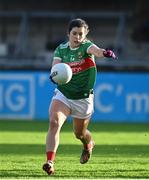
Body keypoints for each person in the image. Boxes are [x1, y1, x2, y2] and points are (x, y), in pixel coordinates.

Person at [42, 18, 117, 175]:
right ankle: (50, 162)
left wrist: (104, 53)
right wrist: (54, 74)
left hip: (83, 98)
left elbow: (95, 50)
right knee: (54, 122)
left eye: (80, 34)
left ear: (86, 34)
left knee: (79, 134)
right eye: (74, 33)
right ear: (68, 33)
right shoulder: (61, 49)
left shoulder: (86, 46)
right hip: (64, 93)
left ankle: (88, 144)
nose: (77, 37)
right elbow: (55, 66)